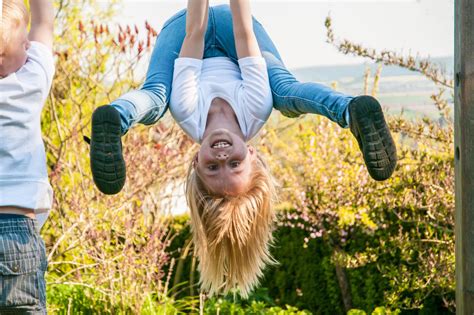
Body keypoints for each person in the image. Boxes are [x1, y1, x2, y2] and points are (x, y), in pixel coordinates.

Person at [89, 0, 396, 297]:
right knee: (284, 91)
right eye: (234, 164)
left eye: (213, 167)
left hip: (182, 30)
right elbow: (243, 31)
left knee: (157, 95)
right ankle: (350, 111)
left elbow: (194, 30)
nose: (222, 157)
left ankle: (115, 119)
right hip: (232, 29)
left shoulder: (186, 111)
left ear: (196, 161)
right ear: (253, 155)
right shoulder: (256, 109)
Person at [0, 0, 55, 312]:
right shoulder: (31, 83)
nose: (30, 45)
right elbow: (44, 22)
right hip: (17, 232)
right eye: (25, 43)